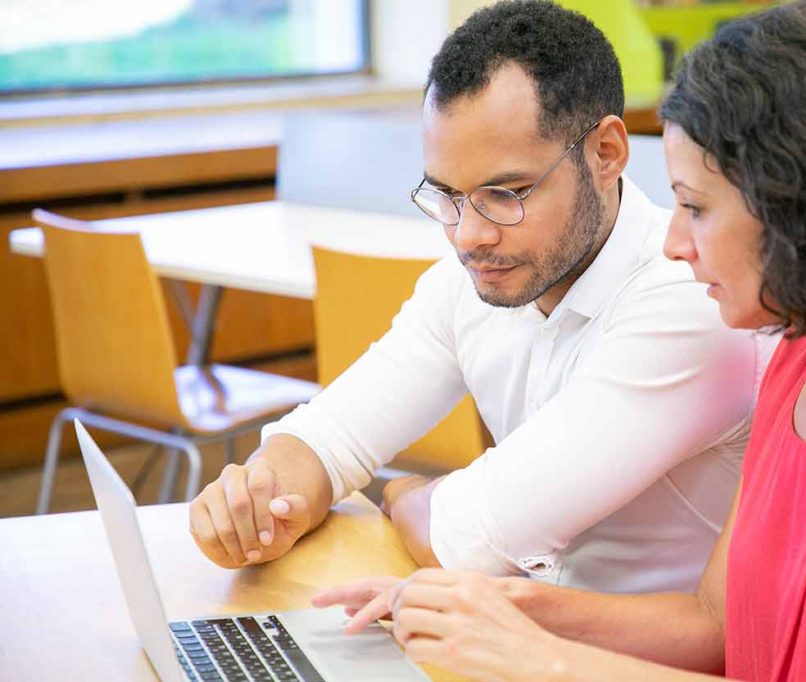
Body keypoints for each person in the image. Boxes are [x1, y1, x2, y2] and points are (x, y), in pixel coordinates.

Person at [314, 1, 806, 680]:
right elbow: (716, 625)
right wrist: (492, 606)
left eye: (695, 208)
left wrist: (537, 659)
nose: (676, 244)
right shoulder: (805, 363)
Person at [188, 1, 770, 595]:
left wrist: (402, 492)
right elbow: (331, 436)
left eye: (506, 193)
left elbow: (469, 541)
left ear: (607, 153)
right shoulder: (477, 277)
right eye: (447, 195)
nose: (469, 235)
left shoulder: (687, 299)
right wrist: (258, 498)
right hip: (513, 636)